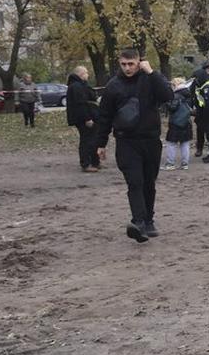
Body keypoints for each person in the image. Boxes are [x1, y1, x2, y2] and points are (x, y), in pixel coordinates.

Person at [95, 49, 174, 242]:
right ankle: (138, 222)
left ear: (139, 62)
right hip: (126, 142)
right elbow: (104, 116)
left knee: (149, 182)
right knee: (135, 181)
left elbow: (167, 95)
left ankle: (149, 220)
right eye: (124, 64)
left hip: (150, 140)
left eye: (131, 64)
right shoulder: (114, 86)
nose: (127, 68)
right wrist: (101, 143)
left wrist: (152, 73)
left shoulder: (150, 79)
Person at [66, 66, 101, 172]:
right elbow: (80, 104)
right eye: (86, 72)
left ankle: (95, 161)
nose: (87, 74)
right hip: (84, 118)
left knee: (93, 139)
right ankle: (86, 163)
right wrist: (87, 118)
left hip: (88, 116)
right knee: (87, 140)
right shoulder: (76, 87)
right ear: (80, 74)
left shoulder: (81, 85)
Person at [164, 77, 194, 170]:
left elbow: (172, 107)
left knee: (171, 143)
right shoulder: (189, 94)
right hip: (187, 122)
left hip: (175, 123)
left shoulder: (176, 95)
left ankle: (170, 163)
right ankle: (185, 164)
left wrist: (166, 102)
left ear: (175, 85)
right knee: (185, 143)